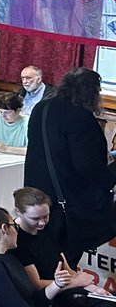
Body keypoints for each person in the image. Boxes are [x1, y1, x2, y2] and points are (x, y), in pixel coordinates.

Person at [25, 67, 116, 264]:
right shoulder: (81, 117)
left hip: (39, 196)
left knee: (47, 258)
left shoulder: (42, 108)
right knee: (65, 262)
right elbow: (87, 166)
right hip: (67, 202)